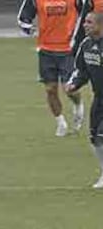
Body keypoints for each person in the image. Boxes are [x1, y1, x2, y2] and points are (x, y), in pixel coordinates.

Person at [17, 0, 84, 137]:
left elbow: (85, 14)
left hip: (69, 50)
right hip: (46, 50)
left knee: (69, 88)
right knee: (50, 89)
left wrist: (79, 38)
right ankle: (60, 123)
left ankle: (78, 104)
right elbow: (23, 18)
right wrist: (27, 28)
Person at [66, 12, 103, 188]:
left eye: (89, 22)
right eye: (85, 22)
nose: (84, 25)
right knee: (94, 138)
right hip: (99, 98)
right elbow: (81, 69)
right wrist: (74, 84)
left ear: (100, 25)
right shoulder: (86, 45)